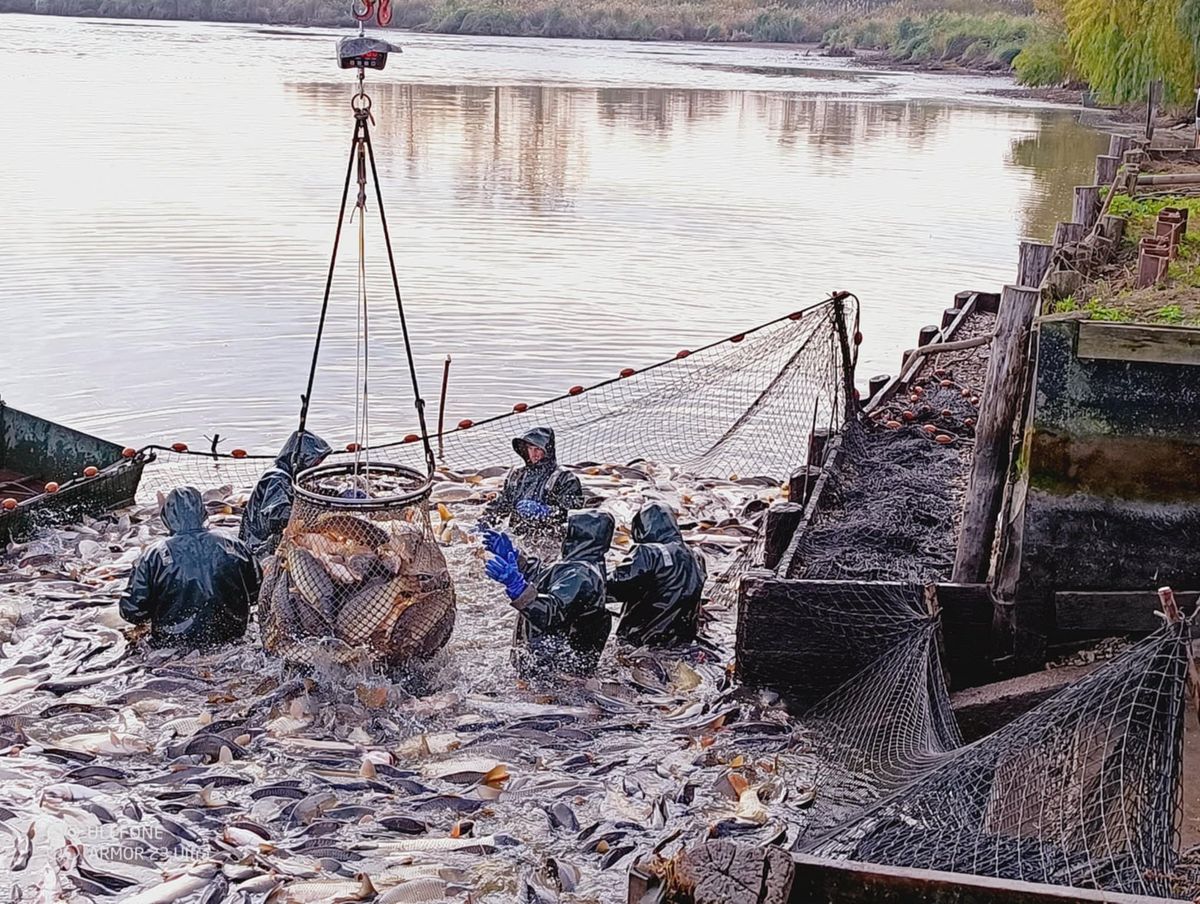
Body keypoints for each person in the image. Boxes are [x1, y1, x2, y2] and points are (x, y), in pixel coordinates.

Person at [120, 486, 260, 648]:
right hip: (232, 635)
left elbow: (131, 610)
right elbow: (256, 592)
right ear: (202, 512)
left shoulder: (154, 555)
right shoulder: (234, 544)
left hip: (172, 643)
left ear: (167, 516)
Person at [483, 511, 614, 677]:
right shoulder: (579, 566)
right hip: (546, 663)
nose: (563, 535)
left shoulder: (581, 576)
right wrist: (517, 560)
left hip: (556, 672)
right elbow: (544, 577)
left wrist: (518, 588)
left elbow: (550, 613)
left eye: (569, 531)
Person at [607, 502, 707, 648]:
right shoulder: (695, 555)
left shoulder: (648, 553)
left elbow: (617, 586)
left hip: (644, 638)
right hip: (681, 640)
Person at [239, 429, 332, 557]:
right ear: (302, 459)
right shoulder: (276, 478)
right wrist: (310, 518)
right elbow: (277, 515)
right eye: (313, 463)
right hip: (258, 544)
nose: (314, 468)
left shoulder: (288, 475)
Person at [478, 427, 583, 540]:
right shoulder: (517, 476)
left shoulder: (564, 478)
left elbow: (574, 513)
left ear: (547, 450)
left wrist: (546, 512)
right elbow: (502, 505)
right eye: (530, 449)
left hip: (551, 538)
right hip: (519, 536)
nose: (533, 454)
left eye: (537, 449)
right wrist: (483, 523)